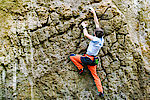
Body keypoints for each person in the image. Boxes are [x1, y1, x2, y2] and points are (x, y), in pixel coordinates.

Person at [69, 7, 104, 97]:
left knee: (72, 57)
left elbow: (86, 34)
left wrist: (84, 26)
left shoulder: (95, 39)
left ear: (95, 34)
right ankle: (100, 91)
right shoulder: (101, 39)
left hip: (87, 58)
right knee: (95, 76)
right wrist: (94, 13)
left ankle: (80, 68)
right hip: (93, 61)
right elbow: (97, 24)